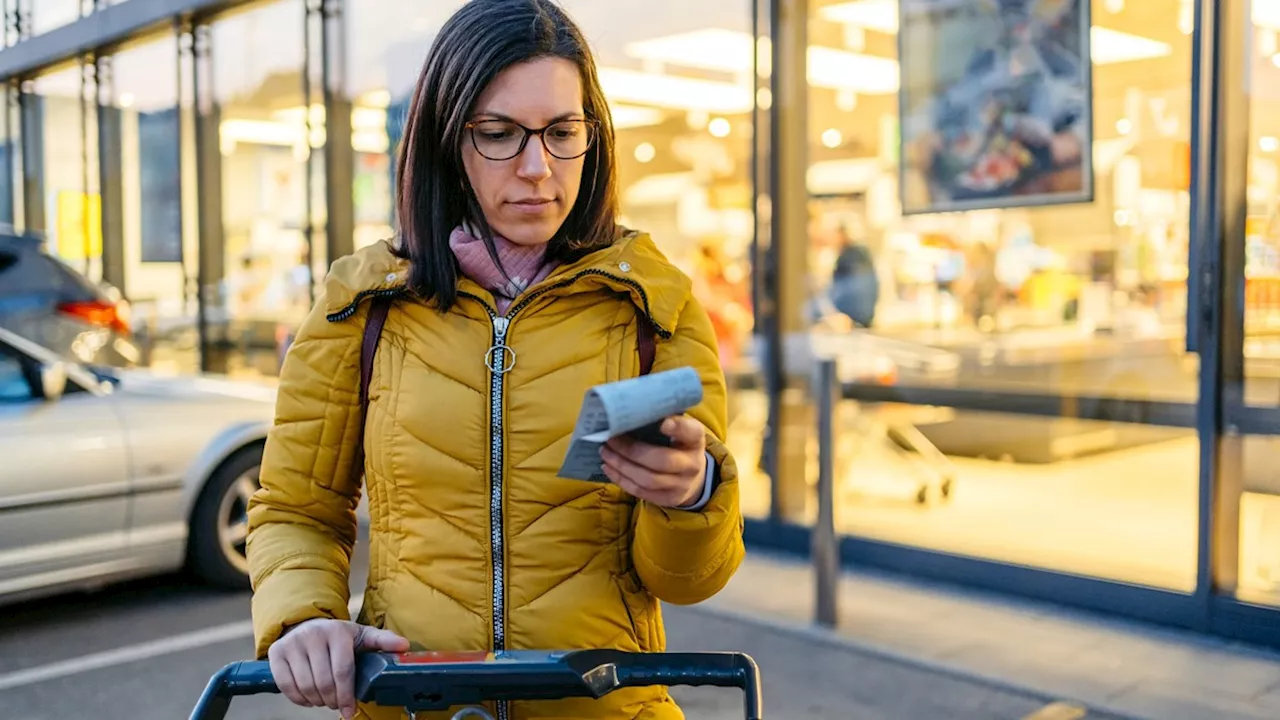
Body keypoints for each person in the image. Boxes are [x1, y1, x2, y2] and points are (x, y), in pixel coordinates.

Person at [244, 2, 746, 719]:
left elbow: (690, 580)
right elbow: (296, 507)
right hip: (414, 704)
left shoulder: (650, 303)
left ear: (591, 136)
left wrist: (692, 492)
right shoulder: (362, 302)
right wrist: (303, 617)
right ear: (448, 141)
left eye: (562, 132)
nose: (538, 169)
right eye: (499, 134)